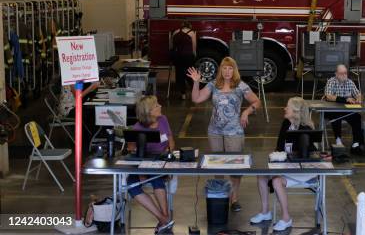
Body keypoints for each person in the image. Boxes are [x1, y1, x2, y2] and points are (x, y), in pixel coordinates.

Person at [188, 56, 261, 212]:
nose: (227, 71)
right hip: (214, 131)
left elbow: (256, 102)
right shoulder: (213, 85)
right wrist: (196, 82)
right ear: (220, 70)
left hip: (234, 131)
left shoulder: (241, 86)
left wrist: (246, 112)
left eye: (230, 68)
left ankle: (234, 198)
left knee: (235, 166)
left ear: (234, 70)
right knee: (217, 166)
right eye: (224, 68)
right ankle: (220, 193)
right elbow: (196, 98)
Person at [250, 97, 316, 231]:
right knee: (261, 175)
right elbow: (279, 147)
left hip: (303, 171)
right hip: (287, 165)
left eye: (288, 107)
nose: (284, 109)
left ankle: (286, 218)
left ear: (296, 111)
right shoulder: (286, 123)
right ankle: (265, 212)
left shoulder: (305, 129)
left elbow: (305, 156)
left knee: (276, 181)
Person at [127, 96, 175, 234]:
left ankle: (164, 219)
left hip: (162, 162)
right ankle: (164, 219)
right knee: (131, 183)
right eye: (156, 106)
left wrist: (168, 152)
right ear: (148, 111)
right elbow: (131, 148)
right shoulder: (137, 128)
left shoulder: (163, 120)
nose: (160, 106)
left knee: (156, 176)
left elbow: (171, 141)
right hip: (143, 164)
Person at [323, 64, 365, 155]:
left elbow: (358, 93)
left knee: (357, 117)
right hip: (330, 110)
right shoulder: (331, 81)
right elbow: (329, 96)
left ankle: (356, 143)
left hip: (345, 110)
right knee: (336, 115)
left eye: (345, 73)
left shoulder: (350, 82)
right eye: (341, 73)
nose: (344, 75)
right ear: (336, 74)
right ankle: (338, 140)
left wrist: (359, 98)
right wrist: (345, 99)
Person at [171, 21, 196, 100]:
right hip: (188, 56)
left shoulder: (175, 32)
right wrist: (194, 55)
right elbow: (194, 47)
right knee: (189, 73)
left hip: (177, 56)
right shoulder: (191, 33)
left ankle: (183, 94)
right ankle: (193, 92)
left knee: (180, 74)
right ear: (189, 26)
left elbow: (172, 46)